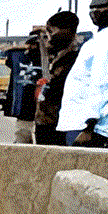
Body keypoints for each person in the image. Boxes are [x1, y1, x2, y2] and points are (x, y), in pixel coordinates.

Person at [58, 0, 108, 148]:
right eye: (92, 8)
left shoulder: (107, 40)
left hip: (91, 128)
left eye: (99, 7)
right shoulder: (100, 38)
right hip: (84, 123)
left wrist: (89, 126)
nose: (94, 12)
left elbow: (102, 85)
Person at [34, 11, 81, 145]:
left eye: (52, 31)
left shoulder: (76, 57)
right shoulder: (56, 54)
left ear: (67, 31)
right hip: (46, 120)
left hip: (63, 123)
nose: (49, 37)